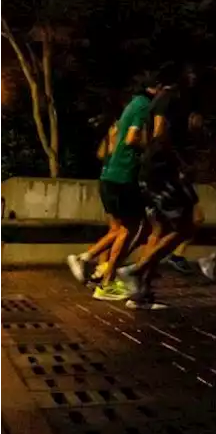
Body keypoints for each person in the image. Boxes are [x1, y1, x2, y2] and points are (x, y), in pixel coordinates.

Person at [119, 66, 203, 310]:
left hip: (154, 171)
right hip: (162, 173)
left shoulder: (160, 100)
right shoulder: (169, 99)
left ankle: (143, 293)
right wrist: (181, 163)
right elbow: (159, 135)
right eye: (190, 74)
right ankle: (136, 270)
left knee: (161, 229)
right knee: (187, 225)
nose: (193, 78)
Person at [68, 80, 157, 300]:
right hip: (121, 177)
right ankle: (103, 273)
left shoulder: (117, 124)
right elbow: (132, 139)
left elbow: (101, 154)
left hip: (109, 176)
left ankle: (94, 262)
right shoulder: (137, 113)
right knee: (126, 229)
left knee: (119, 229)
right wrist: (151, 146)